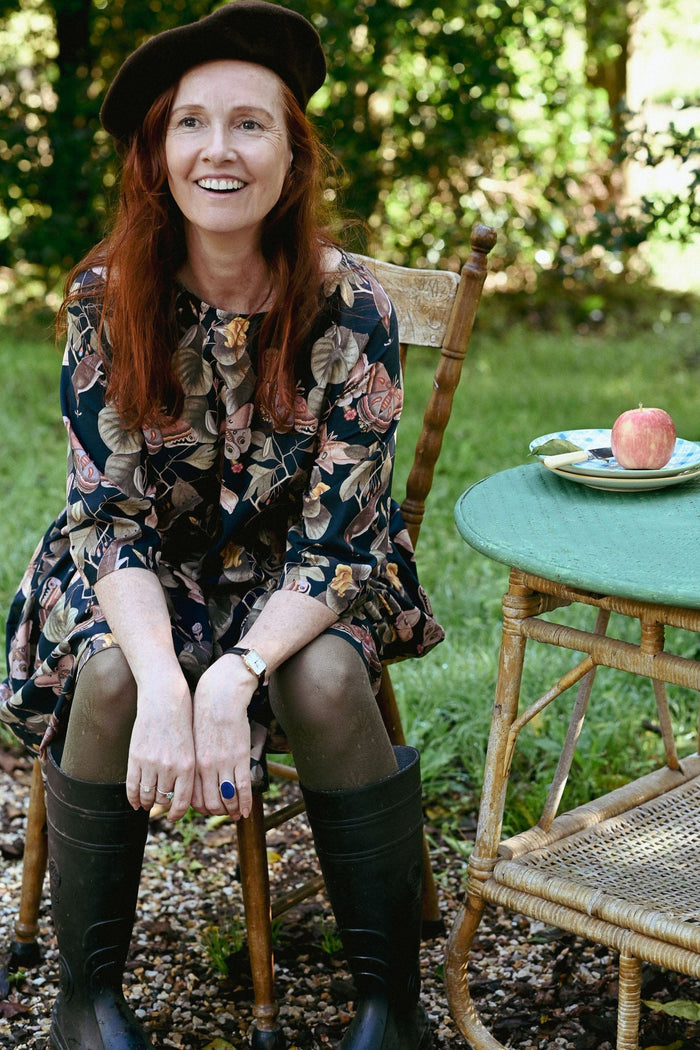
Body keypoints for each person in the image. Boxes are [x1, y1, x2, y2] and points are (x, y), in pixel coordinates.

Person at [0, 3, 444, 1048]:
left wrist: (236, 675)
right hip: (143, 574)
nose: (219, 150)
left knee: (323, 677)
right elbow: (107, 521)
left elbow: (340, 545)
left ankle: (392, 1008)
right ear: (158, 155)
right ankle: (86, 1003)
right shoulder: (105, 301)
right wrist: (167, 681)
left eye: (251, 124)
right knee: (112, 675)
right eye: (190, 124)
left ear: (293, 153)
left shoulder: (354, 309)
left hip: (301, 579)